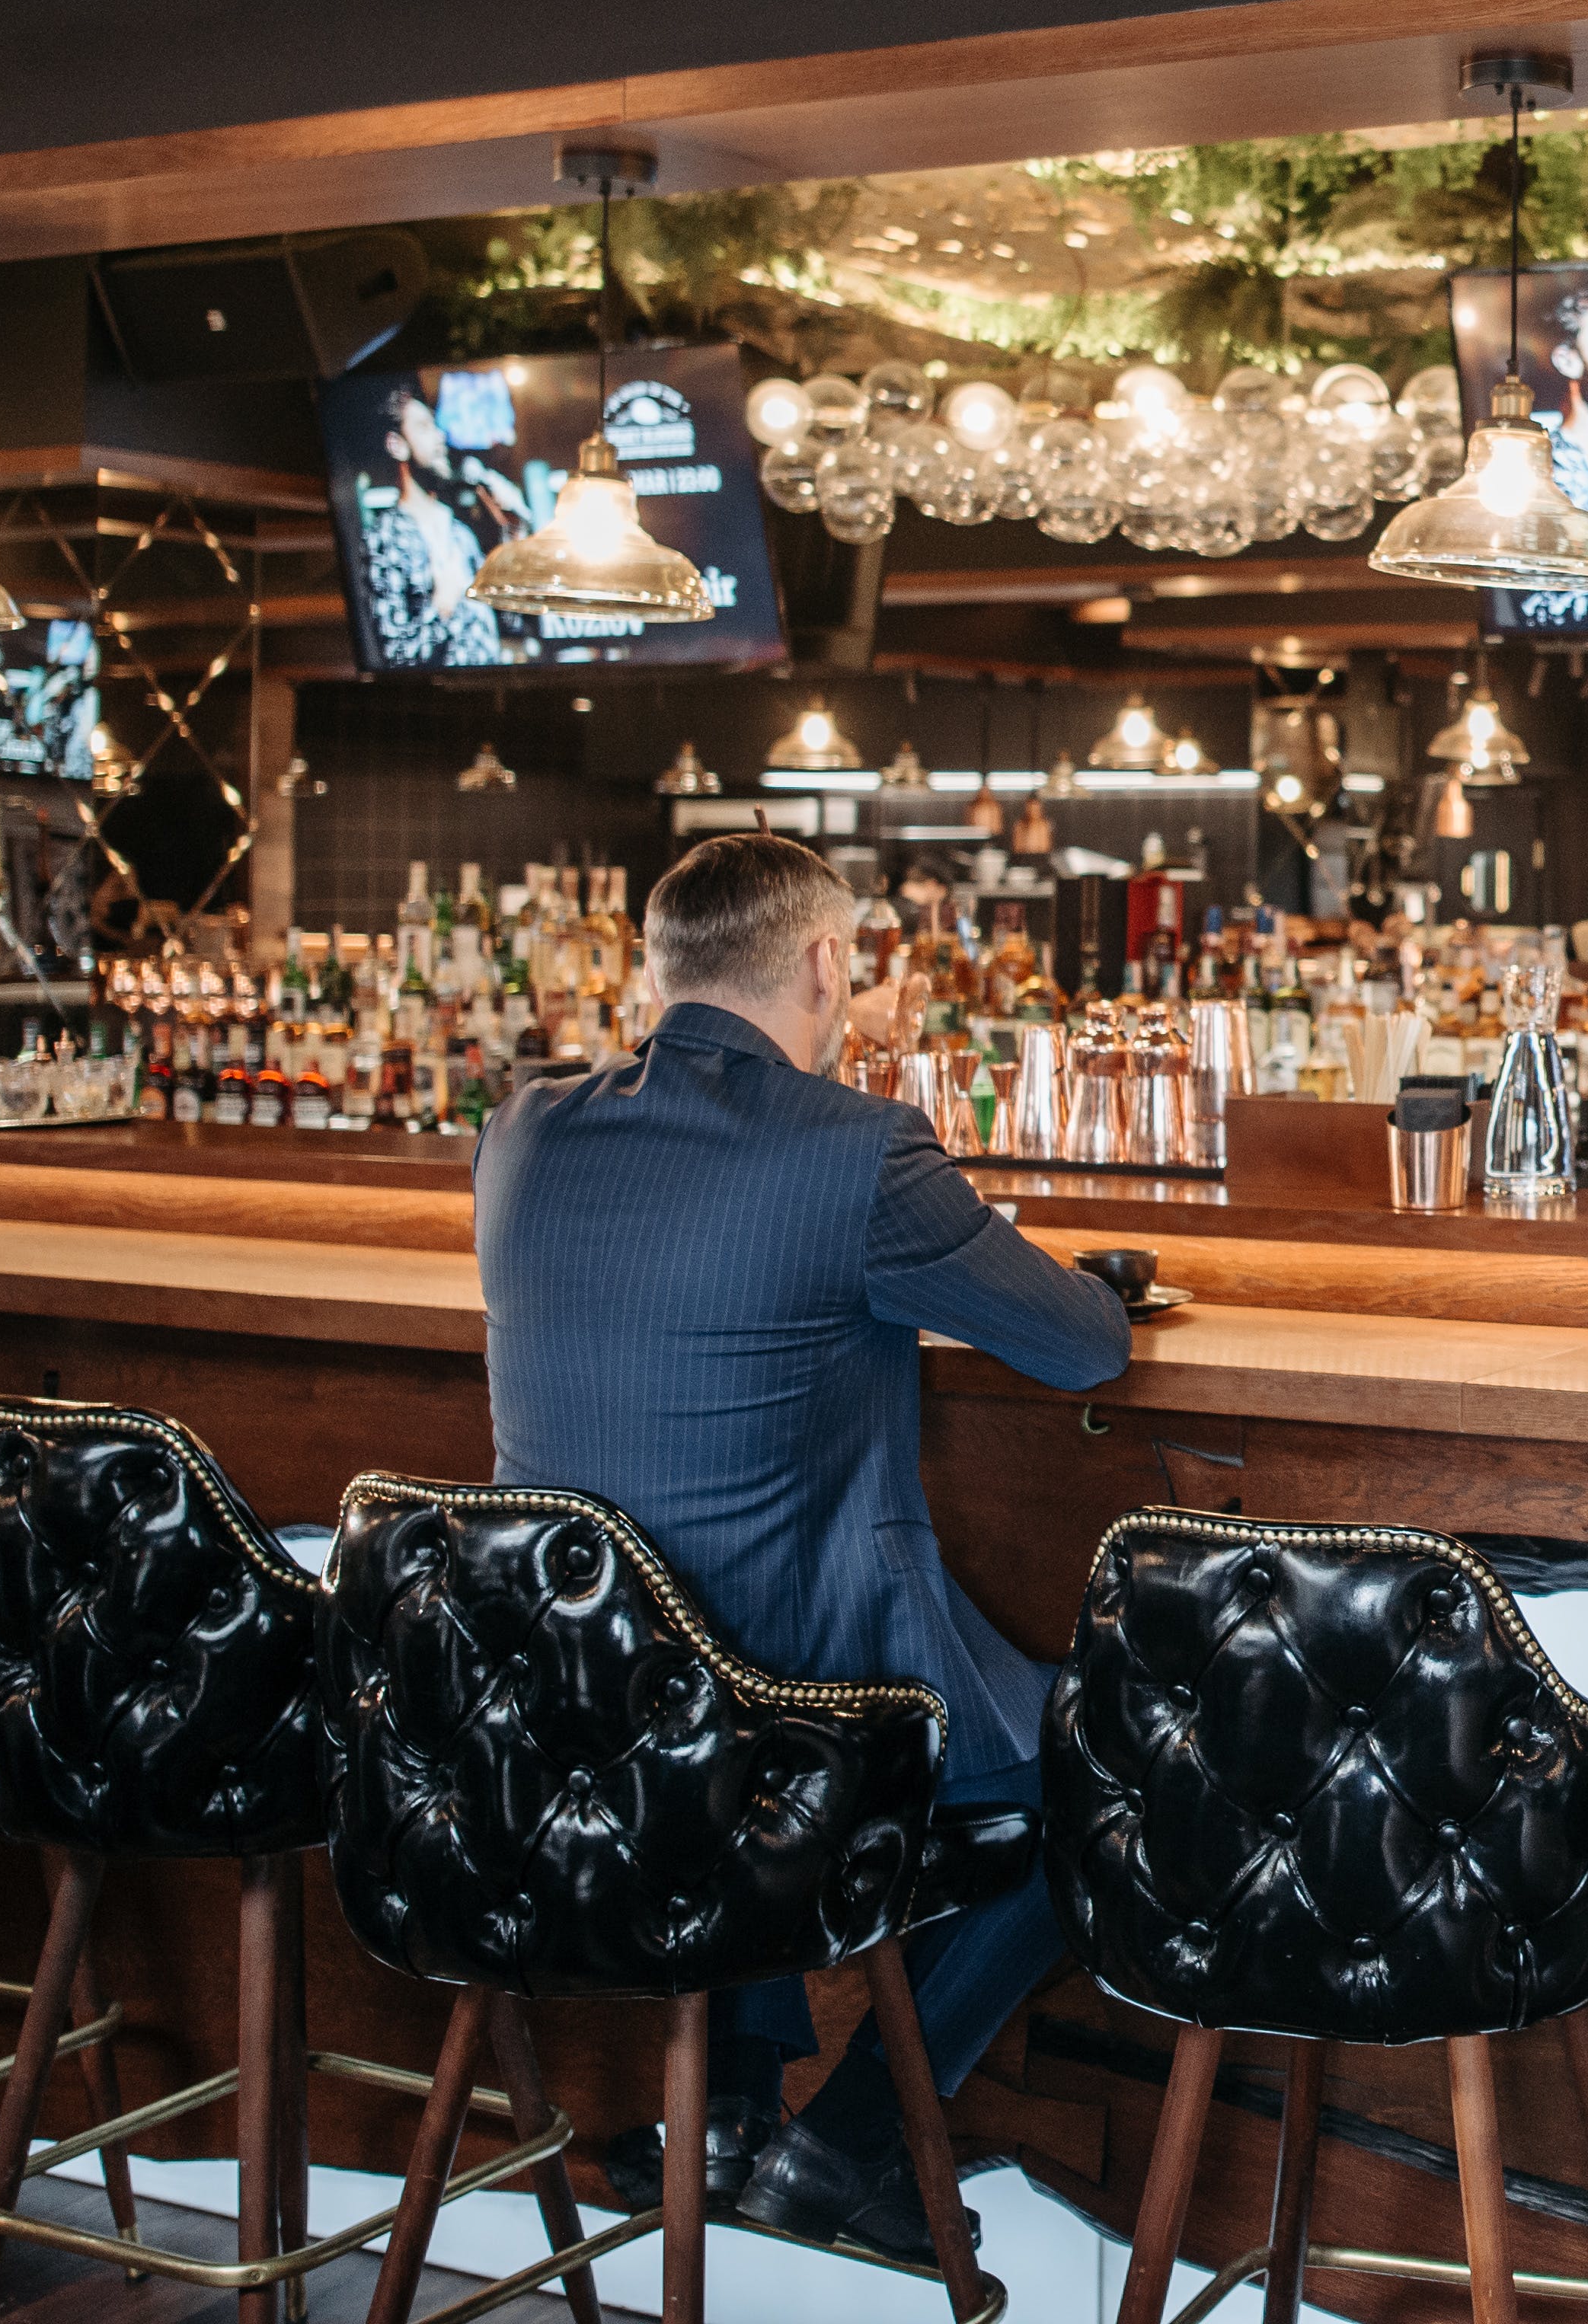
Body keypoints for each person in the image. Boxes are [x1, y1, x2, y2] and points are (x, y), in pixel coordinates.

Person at [475, 832, 1132, 2262]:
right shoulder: (856, 1150)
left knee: (730, 1694)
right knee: (1111, 1788)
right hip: (780, 1724)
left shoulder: (523, 1126)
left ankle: (721, 2112)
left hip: (549, 1718)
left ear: (655, 971)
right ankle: (849, 2145)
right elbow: (1083, 1346)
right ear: (831, 963)